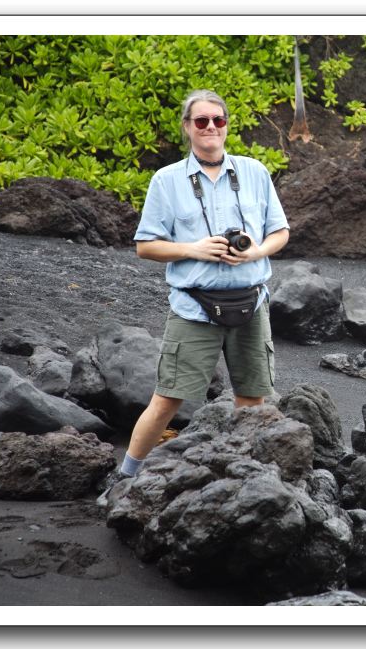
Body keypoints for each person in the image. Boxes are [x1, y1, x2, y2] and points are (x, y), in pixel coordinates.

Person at [113, 88, 290, 483]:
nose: (211, 127)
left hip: (252, 302)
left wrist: (255, 252)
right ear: (187, 128)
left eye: (218, 120)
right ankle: (125, 477)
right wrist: (193, 249)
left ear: (227, 126)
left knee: (252, 401)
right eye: (202, 121)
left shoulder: (255, 172)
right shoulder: (167, 180)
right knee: (166, 400)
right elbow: (145, 246)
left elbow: (281, 232)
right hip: (194, 307)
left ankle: (247, 478)